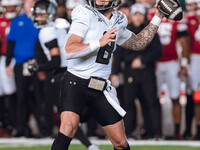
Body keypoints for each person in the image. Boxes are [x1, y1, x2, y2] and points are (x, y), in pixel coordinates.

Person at [51, 0, 163, 150]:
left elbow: (138, 43)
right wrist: (99, 42)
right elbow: (69, 50)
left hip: (100, 86)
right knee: (68, 127)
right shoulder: (84, 13)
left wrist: (158, 16)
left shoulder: (120, 18)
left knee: (120, 143)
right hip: (76, 81)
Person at [29, 0, 100, 148]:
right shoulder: (62, 24)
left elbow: (55, 61)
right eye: (38, 14)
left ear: (51, 14)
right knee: (71, 113)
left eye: (43, 15)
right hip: (75, 70)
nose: (39, 17)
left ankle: (90, 145)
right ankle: (90, 143)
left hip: (61, 74)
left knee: (67, 115)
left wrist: (37, 68)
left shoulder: (47, 32)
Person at [111, 3, 162, 139]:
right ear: (131, 16)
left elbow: (157, 51)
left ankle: (154, 132)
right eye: (136, 15)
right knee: (128, 102)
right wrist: (114, 73)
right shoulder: (126, 31)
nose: (138, 18)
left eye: (140, 15)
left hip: (147, 71)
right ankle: (128, 132)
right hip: (130, 72)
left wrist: (142, 60)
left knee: (150, 101)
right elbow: (119, 53)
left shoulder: (150, 31)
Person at [5, 0, 40, 137]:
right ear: (24, 4)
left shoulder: (40, 21)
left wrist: (38, 59)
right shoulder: (16, 21)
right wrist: (8, 63)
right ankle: (21, 128)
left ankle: (42, 128)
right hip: (20, 63)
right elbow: (10, 42)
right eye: (28, 2)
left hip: (37, 64)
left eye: (33, 2)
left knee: (38, 96)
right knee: (21, 97)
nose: (30, 4)